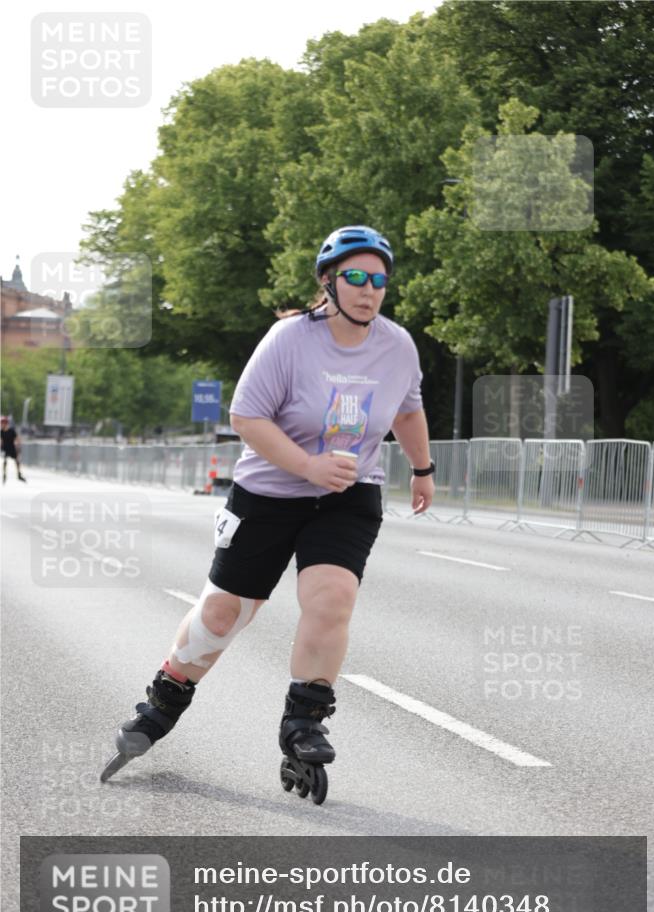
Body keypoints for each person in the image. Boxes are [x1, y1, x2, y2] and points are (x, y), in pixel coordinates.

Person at [101, 224, 435, 802]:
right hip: (269, 493)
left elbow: (408, 409)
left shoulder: (397, 345)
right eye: (355, 277)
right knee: (225, 613)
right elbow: (247, 417)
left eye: (379, 280)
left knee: (332, 598)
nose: (369, 289)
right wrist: (306, 467)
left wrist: (424, 468)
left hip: (349, 495)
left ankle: (304, 721)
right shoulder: (289, 340)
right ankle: (164, 700)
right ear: (327, 281)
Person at [1, 415, 27, 483]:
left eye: (2, 423)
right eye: (1, 423)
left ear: (6, 424)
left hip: (12, 448)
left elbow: (17, 439)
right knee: (5, 461)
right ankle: (4, 474)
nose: (1, 425)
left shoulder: (11, 431)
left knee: (17, 461)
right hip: (5, 448)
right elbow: (1, 440)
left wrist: (18, 446)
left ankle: (18, 474)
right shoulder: (1, 431)